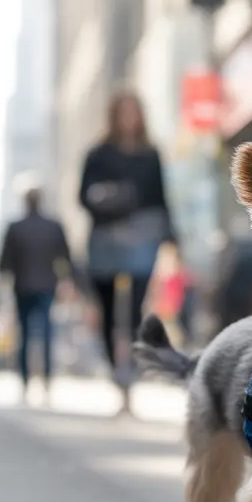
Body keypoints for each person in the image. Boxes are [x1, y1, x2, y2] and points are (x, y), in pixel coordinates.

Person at [78, 90, 177, 410]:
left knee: (135, 307)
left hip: (144, 237)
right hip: (105, 238)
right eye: (123, 111)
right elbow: (83, 197)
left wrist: (171, 237)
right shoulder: (97, 154)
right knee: (107, 309)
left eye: (133, 111)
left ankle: (130, 375)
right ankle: (115, 370)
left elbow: (162, 197)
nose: (128, 117)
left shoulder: (151, 154)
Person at [0, 186, 73, 401]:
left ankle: (25, 381)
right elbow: (66, 258)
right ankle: (46, 380)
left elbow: (4, 262)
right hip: (46, 286)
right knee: (47, 334)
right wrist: (67, 281)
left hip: (23, 286)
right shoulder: (53, 227)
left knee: (25, 336)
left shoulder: (16, 227)